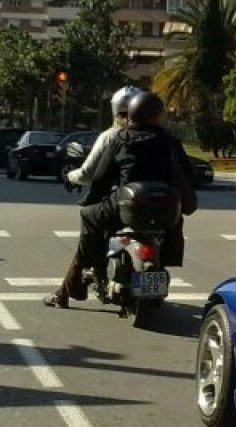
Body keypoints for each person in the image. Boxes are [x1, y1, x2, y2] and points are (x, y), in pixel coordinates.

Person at [45, 91, 193, 309]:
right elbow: (188, 175)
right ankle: (164, 263)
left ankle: (93, 269)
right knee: (176, 220)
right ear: (156, 115)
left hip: (128, 206)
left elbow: (100, 178)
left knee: (89, 216)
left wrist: (90, 200)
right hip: (164, 209)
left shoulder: (120, 138)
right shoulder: (171, 143)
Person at [67, 85, 143, 192]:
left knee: (87, 209)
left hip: (119, 199)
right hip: (162, 202)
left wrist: (69, 176)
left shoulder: (110, 136)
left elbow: (87, 174)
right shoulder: (163, 137)